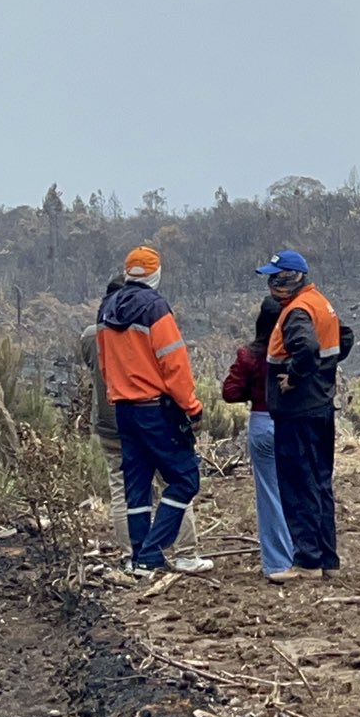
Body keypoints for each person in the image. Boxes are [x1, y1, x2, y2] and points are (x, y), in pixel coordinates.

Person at [96, 246, 213, 575]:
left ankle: (138, 559)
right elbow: (174, 363)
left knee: (137, 487)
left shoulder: (106, 308)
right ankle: (151, 552)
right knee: (185, 480)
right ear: (154, 273)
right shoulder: (156, 308)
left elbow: (106, 364)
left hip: (123, 409)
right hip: (156, 410)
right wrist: (192, 407)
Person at [81, 279, 200, 564]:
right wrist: (190, 409)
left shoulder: (92, 333)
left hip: (110, 421)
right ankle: (182, 552)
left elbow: (96, 368)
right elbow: (169, 365)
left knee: (124, 490)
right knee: (176, 481)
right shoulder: (146, 324)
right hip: (151, 414)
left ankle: (132, 555)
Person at [256, 249, 353, 577]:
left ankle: (307, 561)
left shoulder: (297, 311)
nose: (272, 284)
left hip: (298, 412)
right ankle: (327, 559)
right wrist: (325, 372)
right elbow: (345, 338)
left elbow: (308, 349)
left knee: (298, 485)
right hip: (320, 406)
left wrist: (294, 377)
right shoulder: (320, 303)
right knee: (320, 482)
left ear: (294, 276)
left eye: (277, 277)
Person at [222, 296, 295, 583]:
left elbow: (230, 392)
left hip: (263, 422)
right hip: (295, 422)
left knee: (269, 494)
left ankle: (278, 563)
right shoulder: (295, 353)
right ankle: (307, 554)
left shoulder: (250, 355)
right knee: (299, 489)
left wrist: (253, 392)